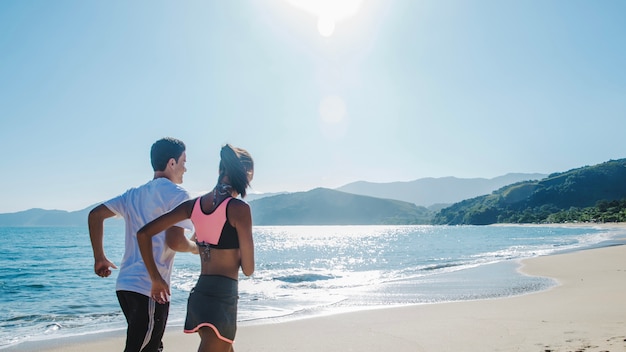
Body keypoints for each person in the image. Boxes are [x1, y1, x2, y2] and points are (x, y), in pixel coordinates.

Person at [137, 144, 254, 352]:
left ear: (220, 171)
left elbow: (143, 233)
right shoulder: (239, 209)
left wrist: (155, 278)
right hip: (223, 298)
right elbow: (248, 268)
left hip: (200, 295)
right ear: (247, 174)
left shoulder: (194, 205)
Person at [88, 137, 197, 352]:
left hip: (126, 286)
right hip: (149, 287)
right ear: (172, 163)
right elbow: (175, 241)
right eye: (184, 161)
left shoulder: (133, 194)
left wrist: (99, 257)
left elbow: (95, 215)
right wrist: (197, 249)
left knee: (153, 347)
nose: (186, 168)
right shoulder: (178, 195)